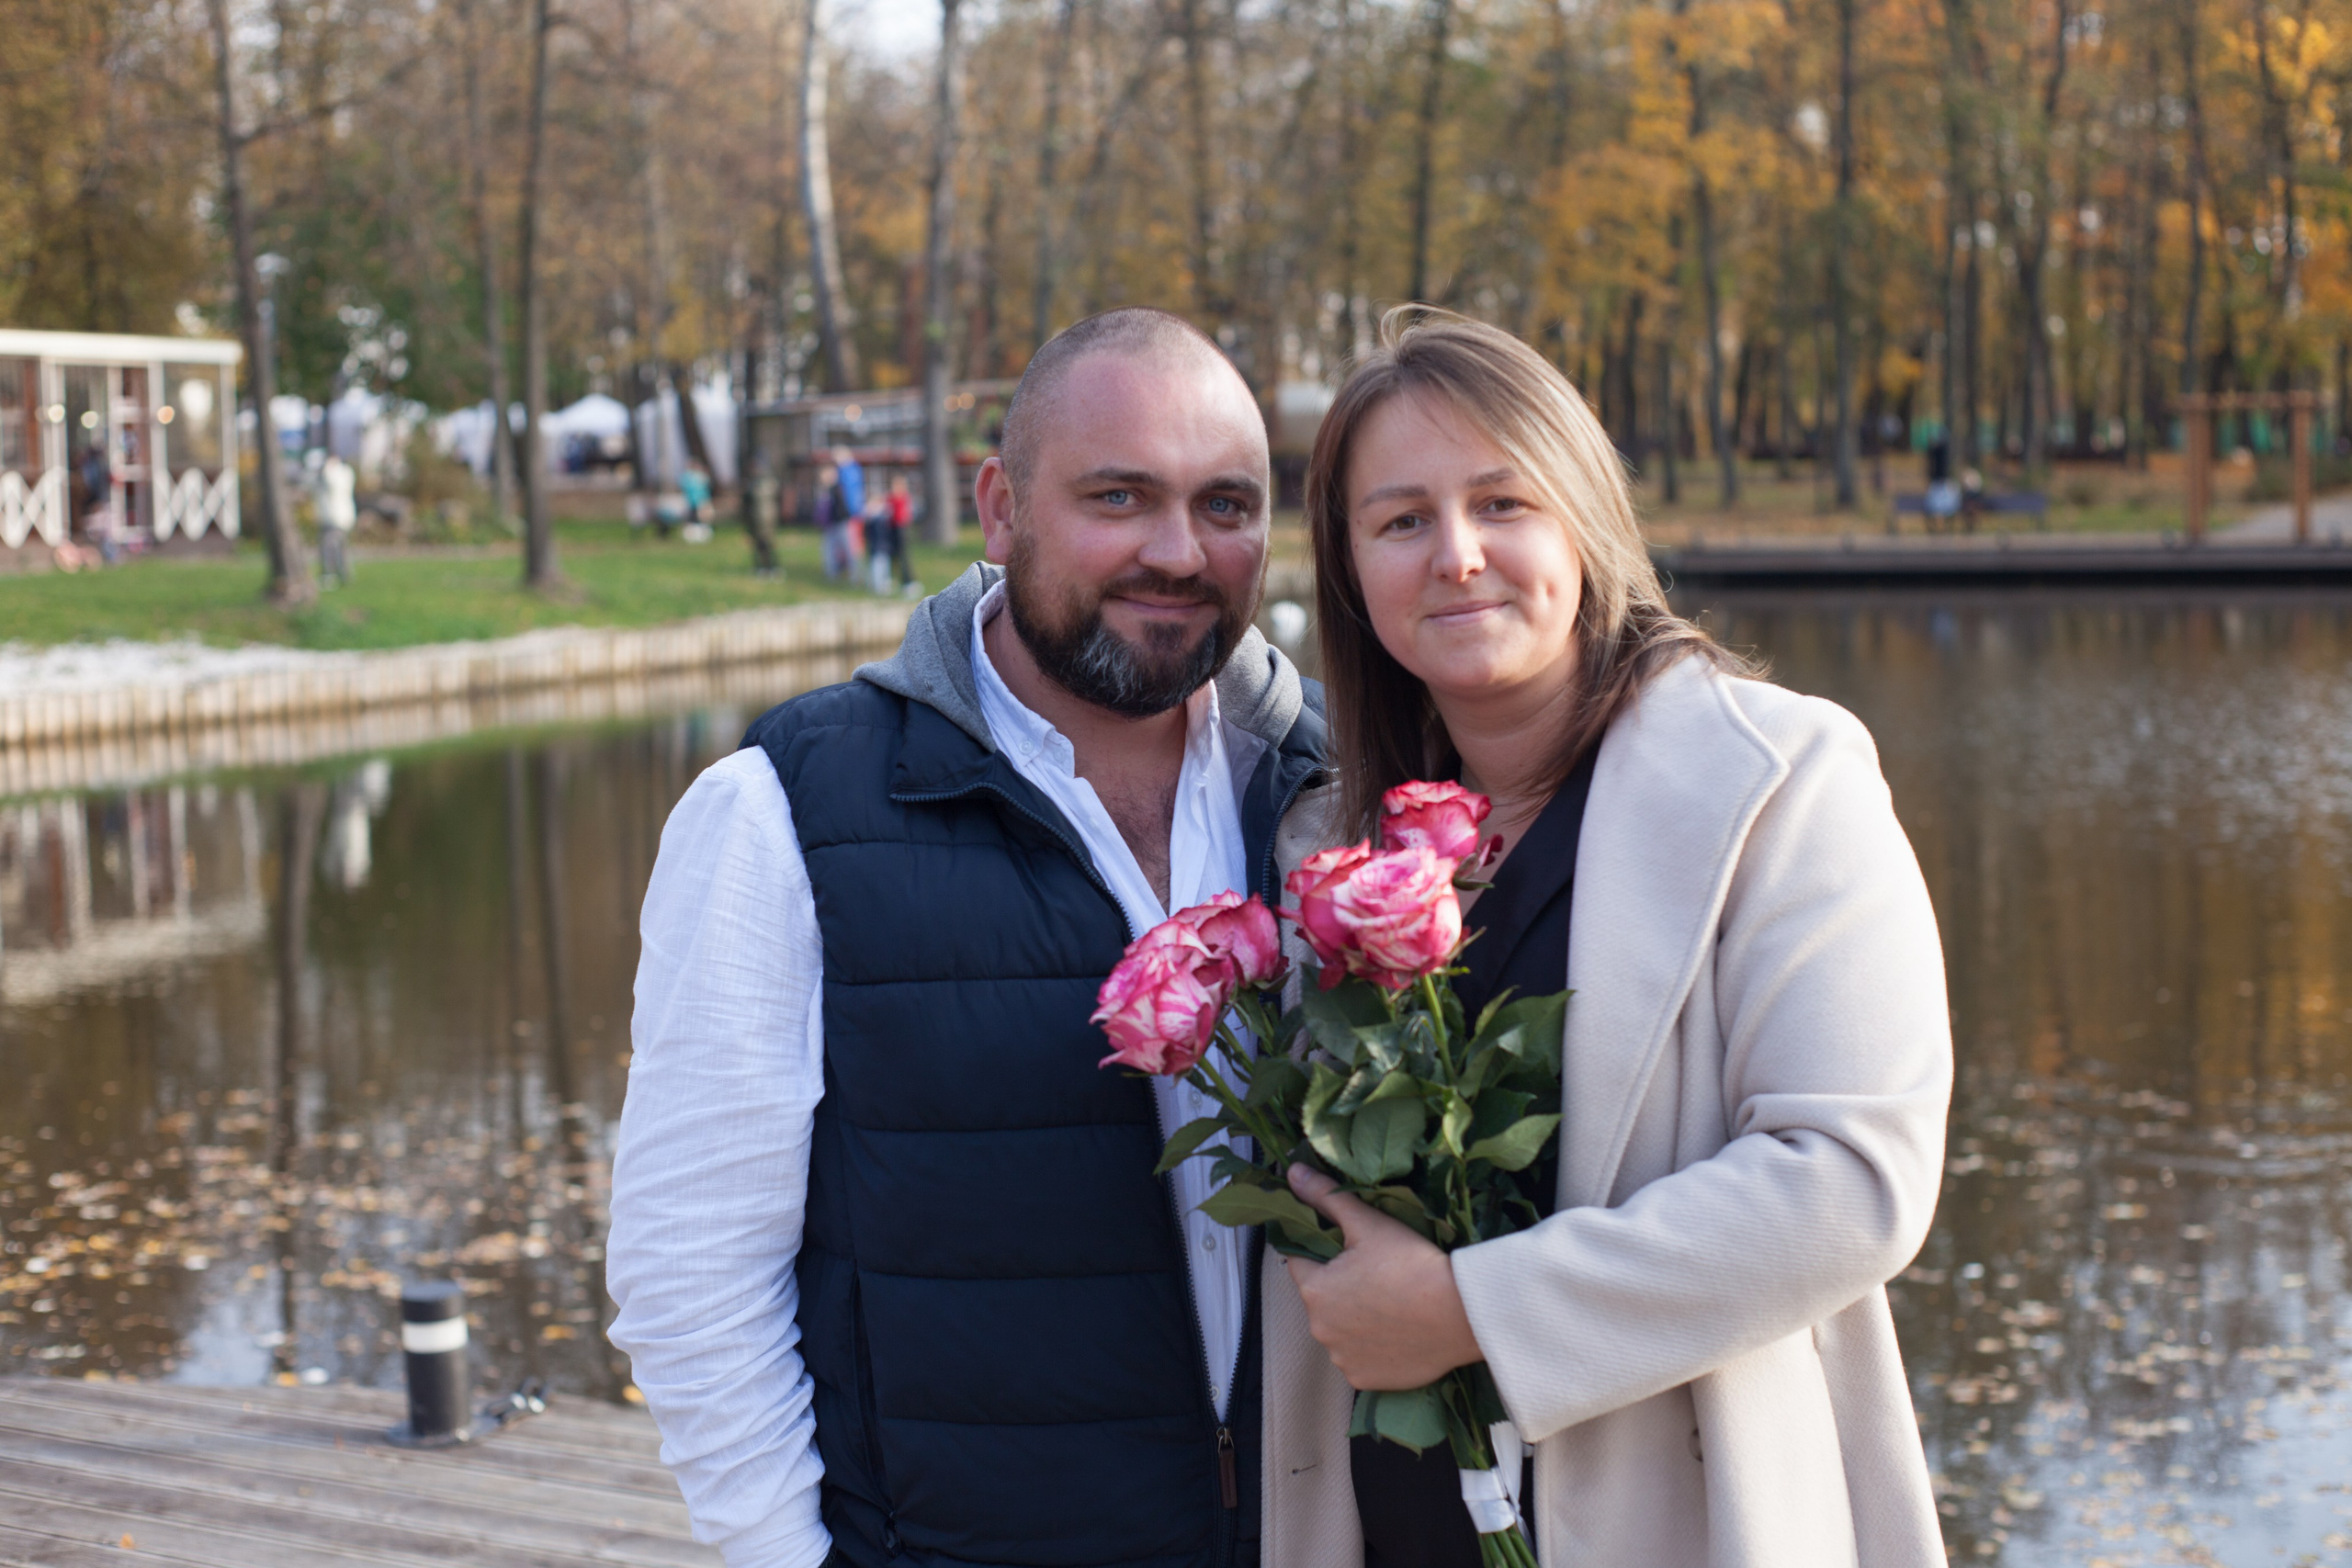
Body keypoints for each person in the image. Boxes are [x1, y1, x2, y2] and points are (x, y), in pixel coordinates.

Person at [608, 306, 1326, 1568]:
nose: (1179, 549)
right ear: (1001, 508)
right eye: (1119, 495)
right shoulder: (785, 808)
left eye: (1227, 504)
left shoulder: (1343, 792)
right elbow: (691, 1271)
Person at [1258, 310, 1951, 1567]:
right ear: (1351, 566)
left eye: (1502, 501)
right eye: (1402, 519)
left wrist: (1474, 1311)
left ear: (1583, 517)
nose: (1458, 554)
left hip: (1688, 1509)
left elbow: (1856, 1176)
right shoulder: (1328, 847)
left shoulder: (1780, 781)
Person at [315, 452, 357, 586]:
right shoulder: (345, 472)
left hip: (336, 518)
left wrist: (328, 467)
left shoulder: (339, 473)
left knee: (330, 547)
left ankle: (330, 575)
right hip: (337, 517)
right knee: (341, 548)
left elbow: (330, 483)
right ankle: (344, 575)